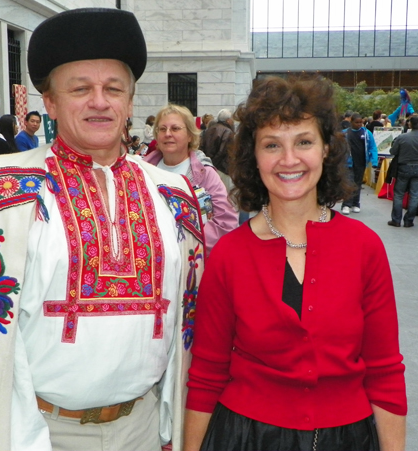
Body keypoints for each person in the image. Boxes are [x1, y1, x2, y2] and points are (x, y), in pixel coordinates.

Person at [0, 8, 205, 451]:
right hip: (36, 432)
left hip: (144, 429)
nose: (99, 101)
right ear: (49, 102)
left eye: (113, 89)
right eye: (80, 89)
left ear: (130, 102)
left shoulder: (175, 195)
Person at [184, 75, 407, 451]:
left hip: (348, 438)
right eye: (272, 145)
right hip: (244, 438)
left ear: (325, 149)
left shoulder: (363, 246)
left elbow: (385, 372)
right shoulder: (229, 255)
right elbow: (207, 374)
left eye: (303, 141)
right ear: (254, 156)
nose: (289, 160)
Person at [144, 104, 238, 254]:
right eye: (162, 129)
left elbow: (225, 223)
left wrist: (183, 241)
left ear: (189, 135)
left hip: (193, 264)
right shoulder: (142, 171)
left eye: (175, 128)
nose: (168, 134)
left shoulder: (205, 174)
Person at [340, 113, 378, 215]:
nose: (359, 124)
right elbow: (338, 147)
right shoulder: (345, 134)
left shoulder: (366, 133)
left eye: (361, 122)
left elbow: (372, 147)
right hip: (348, 163)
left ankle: (356, 203)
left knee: (357, 183)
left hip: (361, 162)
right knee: (350, 183)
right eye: (357, 122)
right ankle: (346, 205)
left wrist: (374, 161)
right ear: (351, 122)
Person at [388, 115, 418, 228]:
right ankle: (409, 220)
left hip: (404, 167)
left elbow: (393, 151)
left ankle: (396, 219)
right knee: (415, 194)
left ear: (410, 124)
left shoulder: (402, 137)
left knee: (399, 194)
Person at [200, 108, 235, 176]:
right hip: (222, 169)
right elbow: (223, 151)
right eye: (231, 119)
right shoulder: (228, 132)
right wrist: (213, 164)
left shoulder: (209, 130)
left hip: (208, 166)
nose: (233, 121)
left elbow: (202, 147)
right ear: (228, 120)